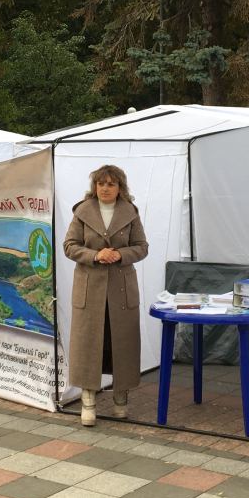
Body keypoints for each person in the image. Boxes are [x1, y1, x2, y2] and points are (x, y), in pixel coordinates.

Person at [63, 165, 148, 426]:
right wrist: (95, 255)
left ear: (120, 187)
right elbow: (69, 246)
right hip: (90, 289)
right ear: (95, 186)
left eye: (111, 184)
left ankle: (120, 401)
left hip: (121, 290)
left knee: (120, 343)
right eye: (101, 184)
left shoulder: (130, 213)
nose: (106, 188)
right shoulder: (82, 211)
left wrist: (120, 254)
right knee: (90, 345)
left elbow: (142, 247)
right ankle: (88, 403)